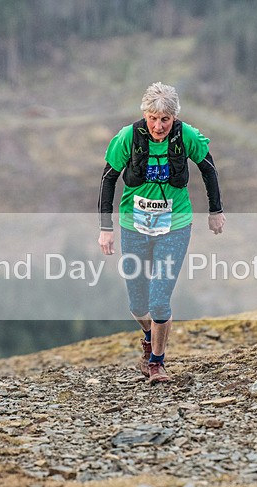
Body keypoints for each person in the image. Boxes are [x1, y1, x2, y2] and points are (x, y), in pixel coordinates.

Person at [98, 82, 225, 384]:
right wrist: (106, 228)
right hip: (134, 226)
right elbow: (108, 178)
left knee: (158, 301)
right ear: (145, 114)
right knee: (137, 304)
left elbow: (208, 168)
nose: (158, 126)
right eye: (153, 118)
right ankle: (148, 336)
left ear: (173, 117)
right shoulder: (127, 138)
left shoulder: (187, 136)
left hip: (175, 225)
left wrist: (215, 211)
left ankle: (156, 362)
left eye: (165, 119)